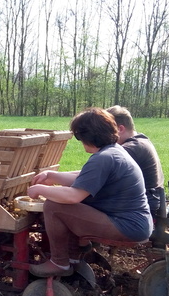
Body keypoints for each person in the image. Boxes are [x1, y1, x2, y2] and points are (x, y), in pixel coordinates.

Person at [27, 108, 153, 277]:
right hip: (136, 223)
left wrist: (40, 190)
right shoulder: (114, 151)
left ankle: (59, 262)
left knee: (53, 206)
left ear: (87, 137)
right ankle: (72, 258)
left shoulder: (103, 158)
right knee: (64, 202)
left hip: (127, 226)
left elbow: (74, 196)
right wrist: (52, 176)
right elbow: (85, 178)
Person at [106, 105, 164, 215]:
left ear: (120, 129)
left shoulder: (130, 149)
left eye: (106, 131)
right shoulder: (141, 140)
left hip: (143, 205)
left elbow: (98, 176)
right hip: (153, 197)